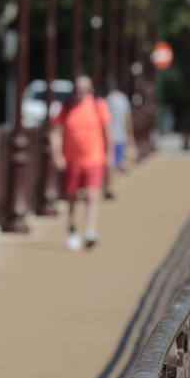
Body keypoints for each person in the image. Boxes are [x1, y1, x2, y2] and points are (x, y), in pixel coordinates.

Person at [50, 74, 112, 251]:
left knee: (92, 195)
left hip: (94, 157)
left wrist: (109, 155)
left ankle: (90, 230)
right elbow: (55, 132)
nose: (82, 93)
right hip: (72, 160)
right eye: (79, 90)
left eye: (86, 90)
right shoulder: (65, 108)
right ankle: (71, 230)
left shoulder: (98, 105)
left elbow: (108, 131)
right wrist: (57, 155)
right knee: (72, 197)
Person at [105, 78, 134, 174]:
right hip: (121, 135)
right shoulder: (123, 98)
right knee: (117, 161)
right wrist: (130, 135)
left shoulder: (106, 101)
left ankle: (111, 182)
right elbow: (127, 118)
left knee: (112, 162)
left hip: (110, 136)